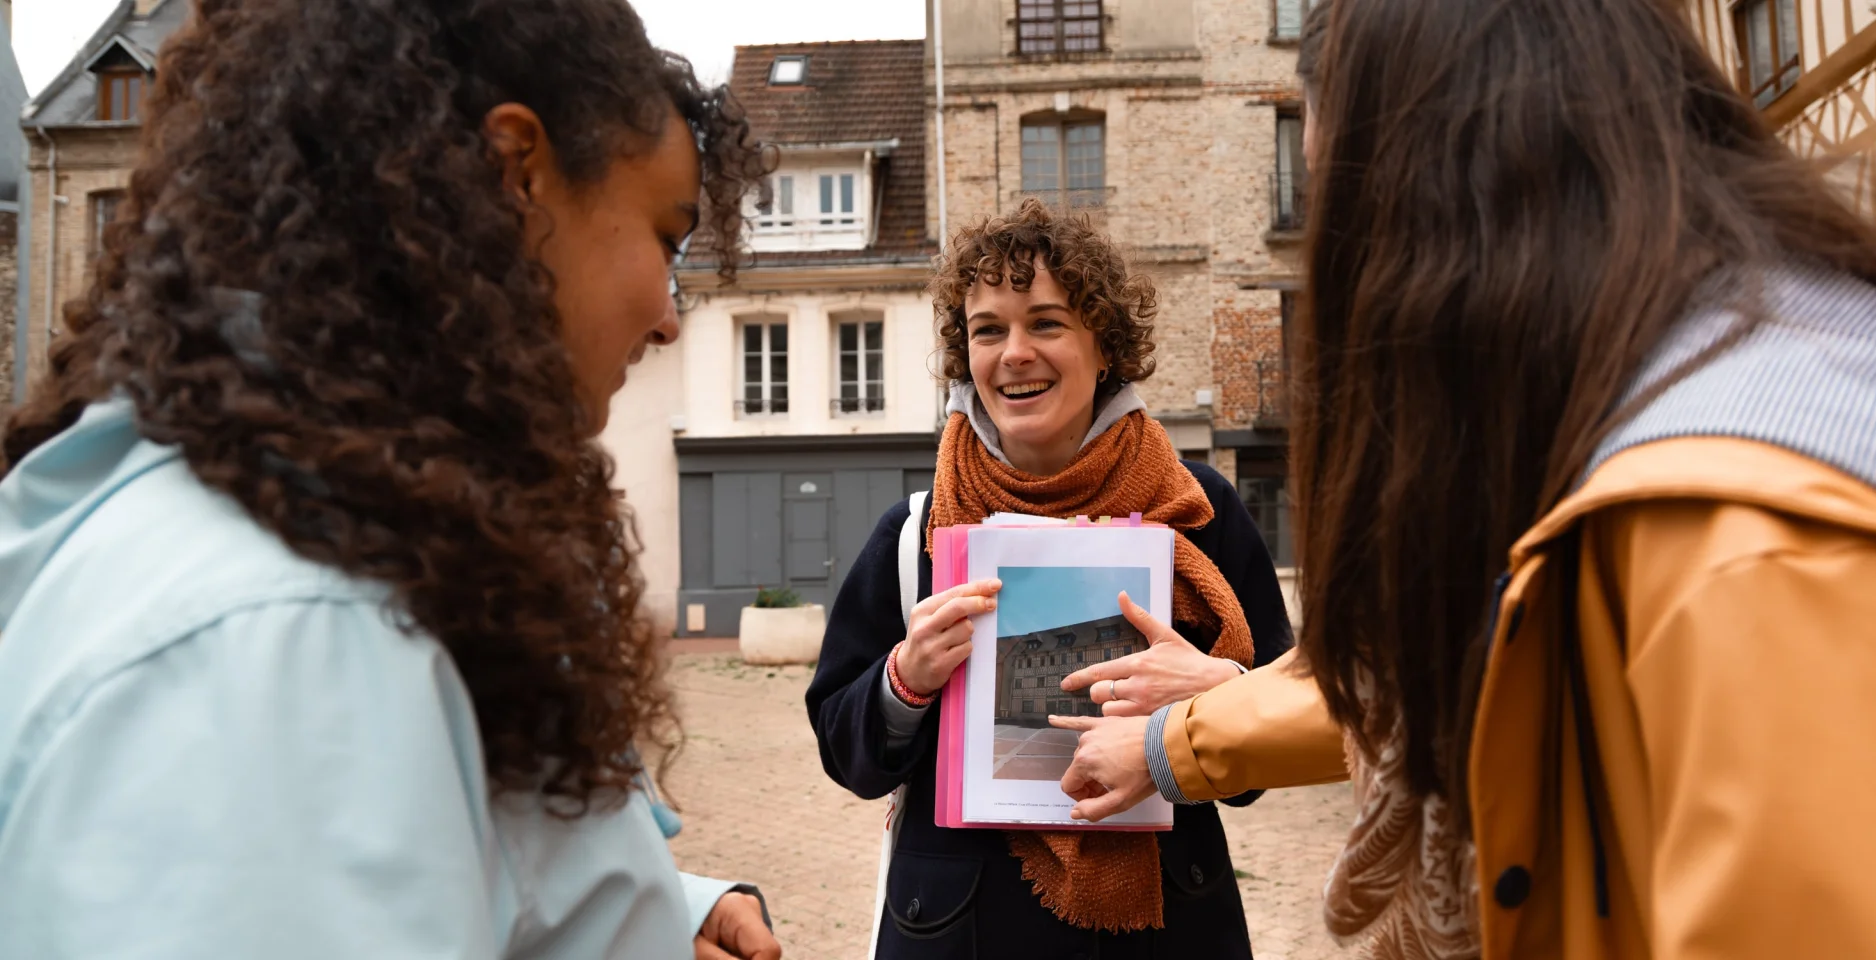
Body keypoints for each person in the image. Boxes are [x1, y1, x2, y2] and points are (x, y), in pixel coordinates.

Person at [1055, 0, 1876, 958]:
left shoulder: (1736, 536)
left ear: (1439, 199)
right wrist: (1177, 740)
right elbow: (1426, 667)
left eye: (1345, 198)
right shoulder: (1616, 422)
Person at [0, 2, 781, 958]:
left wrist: (656, 912)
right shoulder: (286, 637)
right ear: (515, 177)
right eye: (667, 236)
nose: (668, 315)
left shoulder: (362, 525)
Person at [805, 199, 1290, 959]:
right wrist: (903, 680)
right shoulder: (914, 533)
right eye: (988, 330)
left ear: (1106, 347)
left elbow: (1273, 736)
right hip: (961, 932)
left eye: (1047, 323)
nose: (1014, 352)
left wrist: (1217, 688)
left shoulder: (1202, 511)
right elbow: (845, 751)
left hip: (1166, 930)